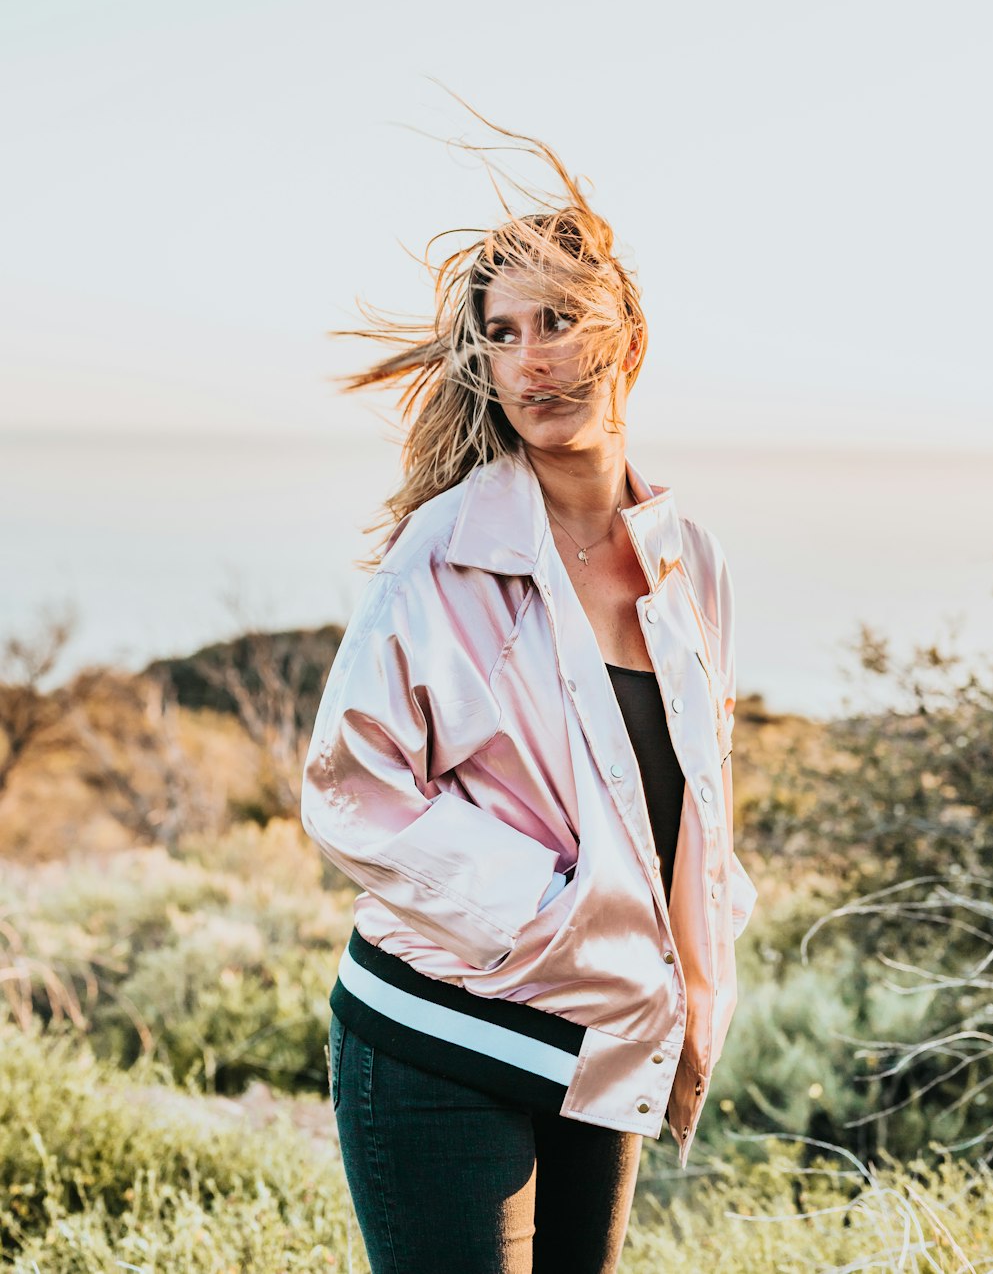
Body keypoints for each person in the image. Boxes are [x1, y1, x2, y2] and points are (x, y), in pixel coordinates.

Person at [301, 109, 757, 1274]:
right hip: (437, 1037)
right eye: (505, 334)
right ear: (485, 365)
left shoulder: (687, 556)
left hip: (602, 1039)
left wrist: (691, 946)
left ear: (627, 337)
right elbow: (351, 790)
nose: (535, 356)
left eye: (559, 320)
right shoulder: (443, 554)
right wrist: (554, 910)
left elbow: (695, 790)